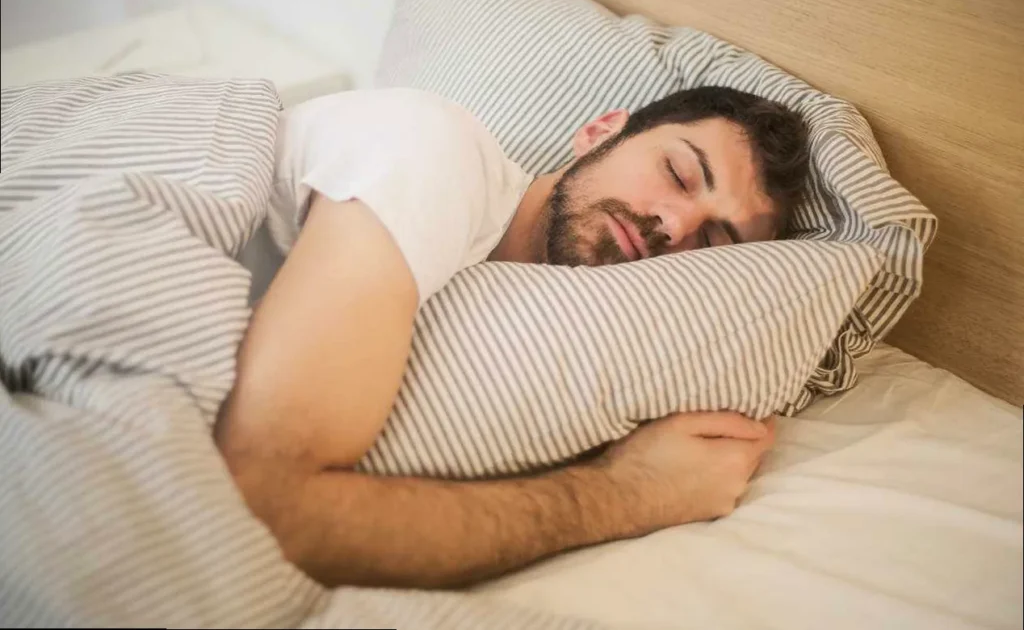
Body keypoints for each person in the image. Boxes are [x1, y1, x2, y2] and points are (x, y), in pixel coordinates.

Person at [215, 85, 811, 590]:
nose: (675, 225)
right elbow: (262, 510)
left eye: (712, 243)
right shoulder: (434, 154)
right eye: (679, 173)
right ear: (601, 132)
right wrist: (631, 493)